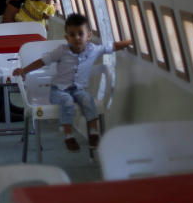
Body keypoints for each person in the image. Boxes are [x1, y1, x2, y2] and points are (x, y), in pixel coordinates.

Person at [13, 13, 133, 151]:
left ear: (88, 35)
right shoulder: (61, 51)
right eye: (72, 34)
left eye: (80, 33)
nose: (76, 37)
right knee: (67, 102)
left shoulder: (93, 49)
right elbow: (41, 62)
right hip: (59, 90)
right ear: (67, 38)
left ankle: (93, 133)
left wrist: (130, 42)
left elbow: (112, 46)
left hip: (78, 91)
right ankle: (68, 135)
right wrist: (24, 70)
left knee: (88, 100)